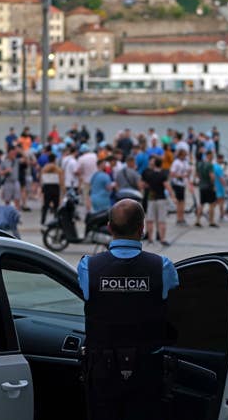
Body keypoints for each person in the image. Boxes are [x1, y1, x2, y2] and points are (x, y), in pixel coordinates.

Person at [77, 199, 179, 420]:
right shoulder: (162, 266)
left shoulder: (88, 266)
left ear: (109, 228)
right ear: (142, 228)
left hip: (102, 370)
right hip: (147, 369)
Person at [143, 157, 176, 246]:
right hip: (161, 198)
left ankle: (150, 238)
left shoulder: (150, 174)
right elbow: (167, 186)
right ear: (161, 164)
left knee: (150, 220)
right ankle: (162, 239)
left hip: (151, 198)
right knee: (161, 220)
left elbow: (145, 185)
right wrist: (173, 197)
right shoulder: (162, 175)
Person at [195, 150, 217, 228]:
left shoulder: (200, 164)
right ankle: (211, 221)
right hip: (209, 186)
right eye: (212, 155)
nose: (213, 157)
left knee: (201, 204)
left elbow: (197, 175)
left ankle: (197, 220)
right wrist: (213, 185)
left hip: (202, 186)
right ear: (209, 155)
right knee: (211, 204)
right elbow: (212, 176)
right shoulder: (210, 165)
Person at [40, 153, 64, 225]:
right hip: (55, 188)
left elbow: (41, 178)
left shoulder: (44, 168)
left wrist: (41, 188)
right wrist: (63, 189)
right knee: (56, 206)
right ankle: (56, 219)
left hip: (47, 187)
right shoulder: (57, 168)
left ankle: (43, 220)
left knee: (45, 205)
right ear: (55, 159)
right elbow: (61, 180)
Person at [169, 149, 189, 225]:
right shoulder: (176, 163)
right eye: (183, 155)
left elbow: (187, 170)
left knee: (182, 202)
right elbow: (172, 174)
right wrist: (181, 176)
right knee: (180, 202)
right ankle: (179, 218)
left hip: (183, 184)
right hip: (177, 184)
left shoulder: (184, 162)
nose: (184, 157)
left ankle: (182, 217)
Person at [76, 144, 98, 212]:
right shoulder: (95, 156)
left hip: (86, 181)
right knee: (95, 195)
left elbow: (77, 171)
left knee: (87, 197)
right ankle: (96, 210)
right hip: (96, 179)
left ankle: (89, 212)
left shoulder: (81, 158)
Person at [213, 153, 228, 222]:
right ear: (220, 159)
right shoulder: (219, 167)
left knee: (217, 201)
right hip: (219, 186)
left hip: (215, 186)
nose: (222, 160)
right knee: (221, 201)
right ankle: (222, 216)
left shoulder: (213, 166)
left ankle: (208, 212)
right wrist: (225, 186)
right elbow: (221, 178)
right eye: (222, 159)